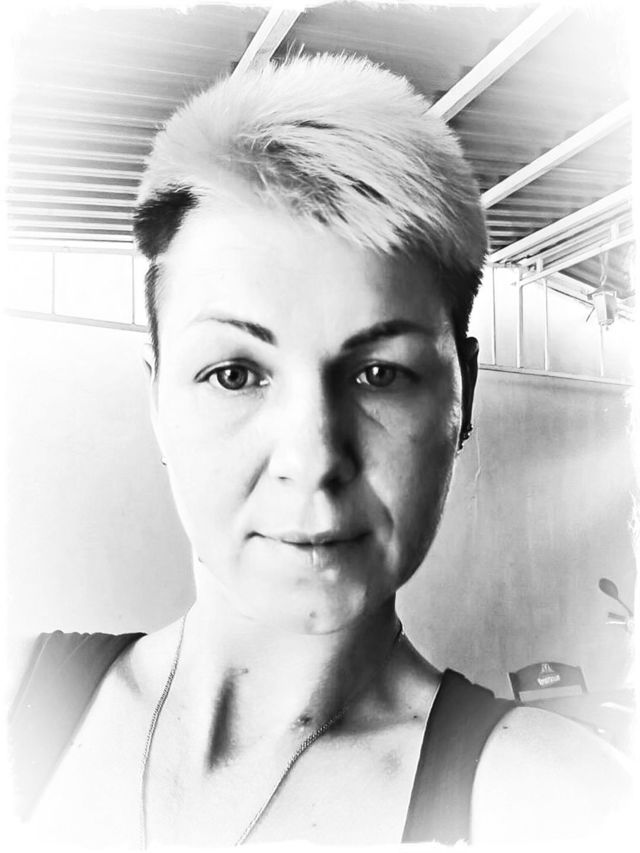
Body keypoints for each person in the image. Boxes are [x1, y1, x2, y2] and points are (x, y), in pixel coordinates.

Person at [9, 54, 631, 848]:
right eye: (235, 373)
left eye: (379, 374)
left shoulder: (557, 805)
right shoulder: (14, 702)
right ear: (157, 400)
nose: (311, 457)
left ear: (463, 394)